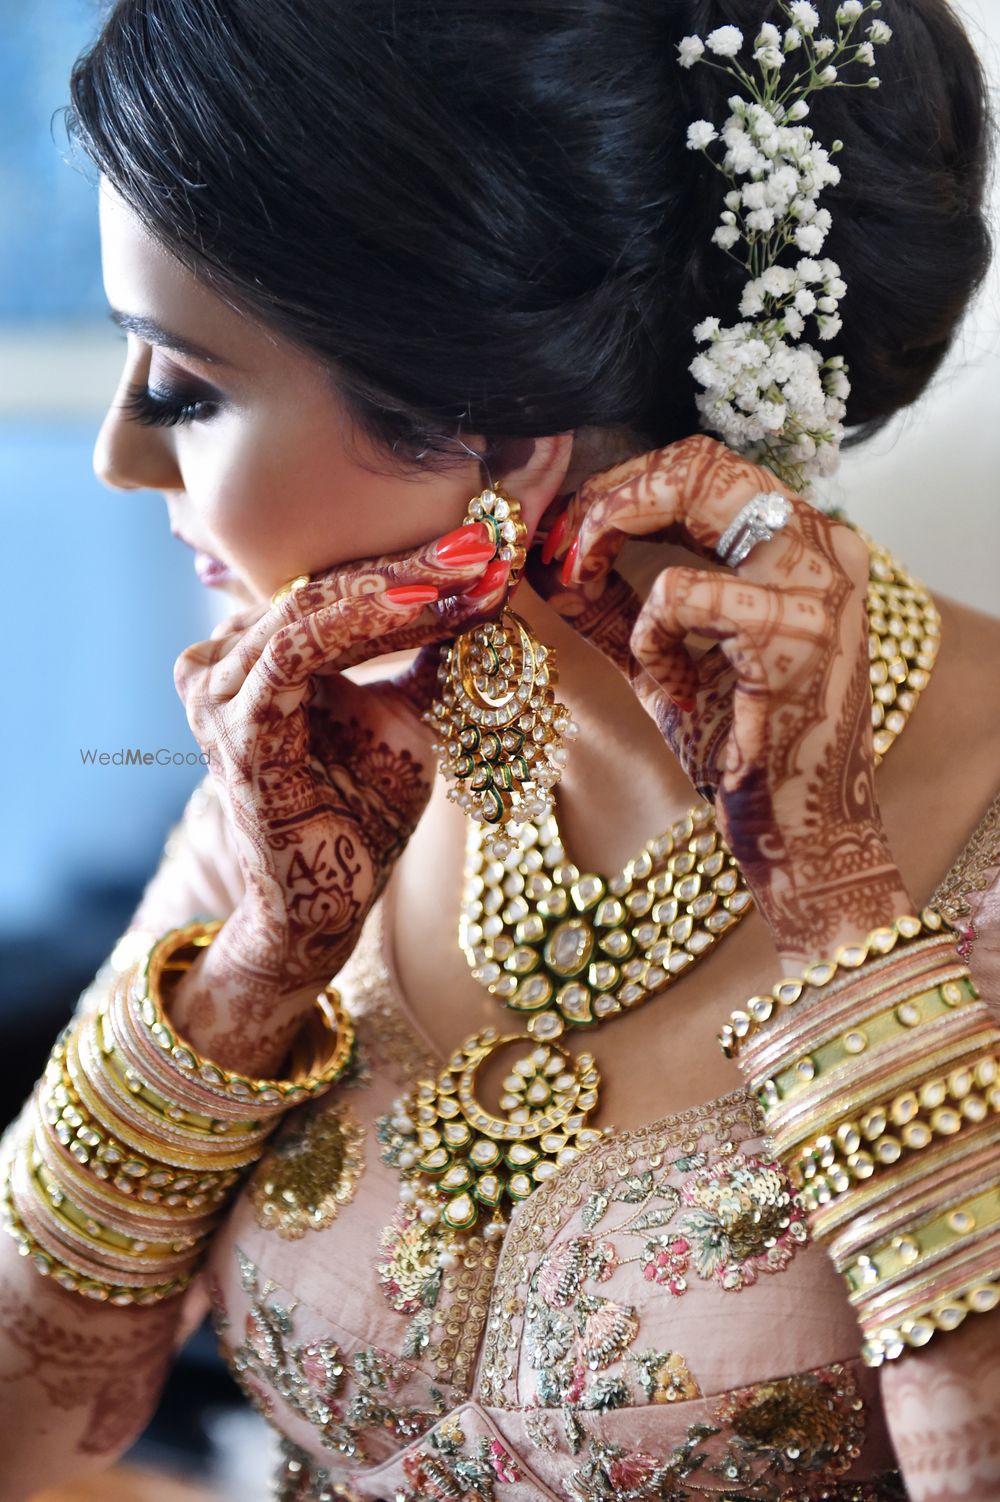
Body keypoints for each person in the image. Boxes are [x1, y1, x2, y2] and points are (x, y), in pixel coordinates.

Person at [2, 1, 999, 1498]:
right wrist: (253, 974)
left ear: (507, 429)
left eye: (188, 386)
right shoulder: (322, 778)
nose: (123, 454)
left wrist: (845, 906)